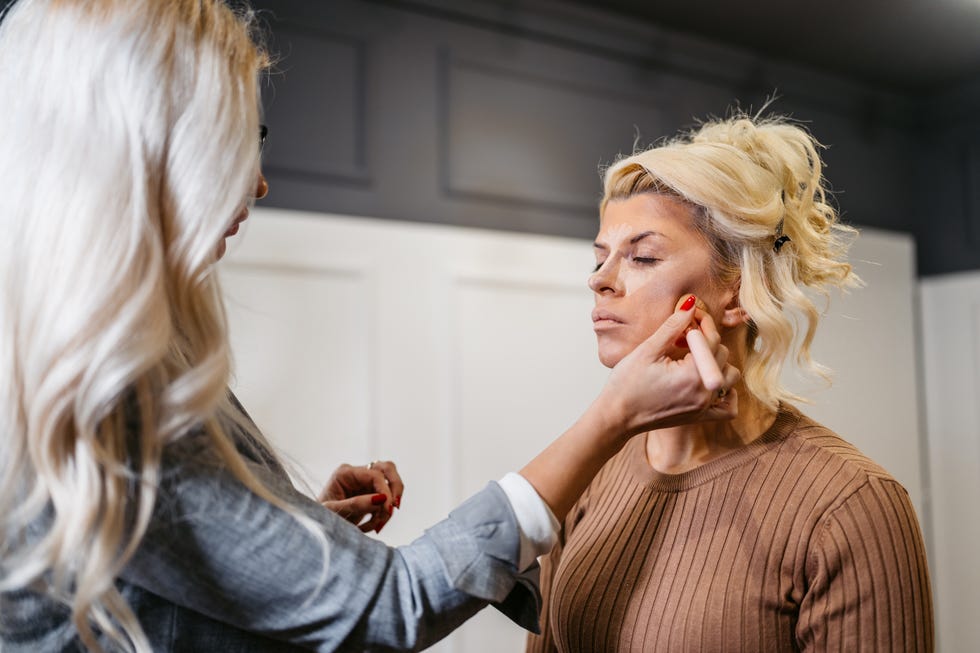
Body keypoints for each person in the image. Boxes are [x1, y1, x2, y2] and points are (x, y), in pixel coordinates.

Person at [0, 1, 741, 651]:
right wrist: (611, 418)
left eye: (643, 256)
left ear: (737, 289)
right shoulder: (107, 395)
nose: (258, 181)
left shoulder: (92, 360)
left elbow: (166, 558)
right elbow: (389, 607)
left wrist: (296, 531)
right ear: (140, 147)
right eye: (234, 137)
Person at [526, 114, 935, 652]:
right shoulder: (587, 472)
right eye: (601, 258)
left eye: (643, 257)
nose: (599, 280)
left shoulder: (851, 505)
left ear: (738, 293)